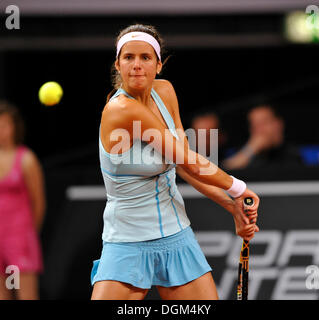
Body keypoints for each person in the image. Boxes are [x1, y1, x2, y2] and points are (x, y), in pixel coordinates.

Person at [90, 24, 260, 300]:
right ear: (117, 65)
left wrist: (231, 206)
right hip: (126, 240)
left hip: (175, 233)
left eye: (145, 58)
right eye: (128, 57)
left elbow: (182, 165)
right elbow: (190, 161)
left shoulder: (165, 92)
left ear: (158, 65)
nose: (136, 65)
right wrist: (239, 188)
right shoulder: (121, 109)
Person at [0, 100, 45, 300]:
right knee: (0, 294)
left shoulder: (27, 159)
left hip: (20, 235)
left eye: (5, 124)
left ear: (15, 127)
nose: (0, 130)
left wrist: (28, 233)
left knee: (25, 295)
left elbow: (38, 202)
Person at [222, 104, 303, 170]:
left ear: (278, 124)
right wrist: (250, 149)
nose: (260, 130)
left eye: (264, 123)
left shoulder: (294, 154)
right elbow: (222, 175)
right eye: (255, 125)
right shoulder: (246, 155)